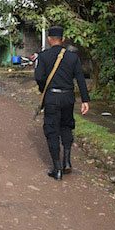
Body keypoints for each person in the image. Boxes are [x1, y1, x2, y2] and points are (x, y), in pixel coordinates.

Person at [34, 26, 90, 180]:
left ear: (49, 39)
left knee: (52, 130)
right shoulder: (73, 57)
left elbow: (39, 77)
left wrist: (43, 89)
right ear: (63, 39)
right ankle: (67, 162)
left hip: (52, 97)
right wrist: (85, 100)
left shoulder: (43, 57)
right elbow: (80, 79)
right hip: (68, 98)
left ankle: (57, 169)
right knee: (66, 127)